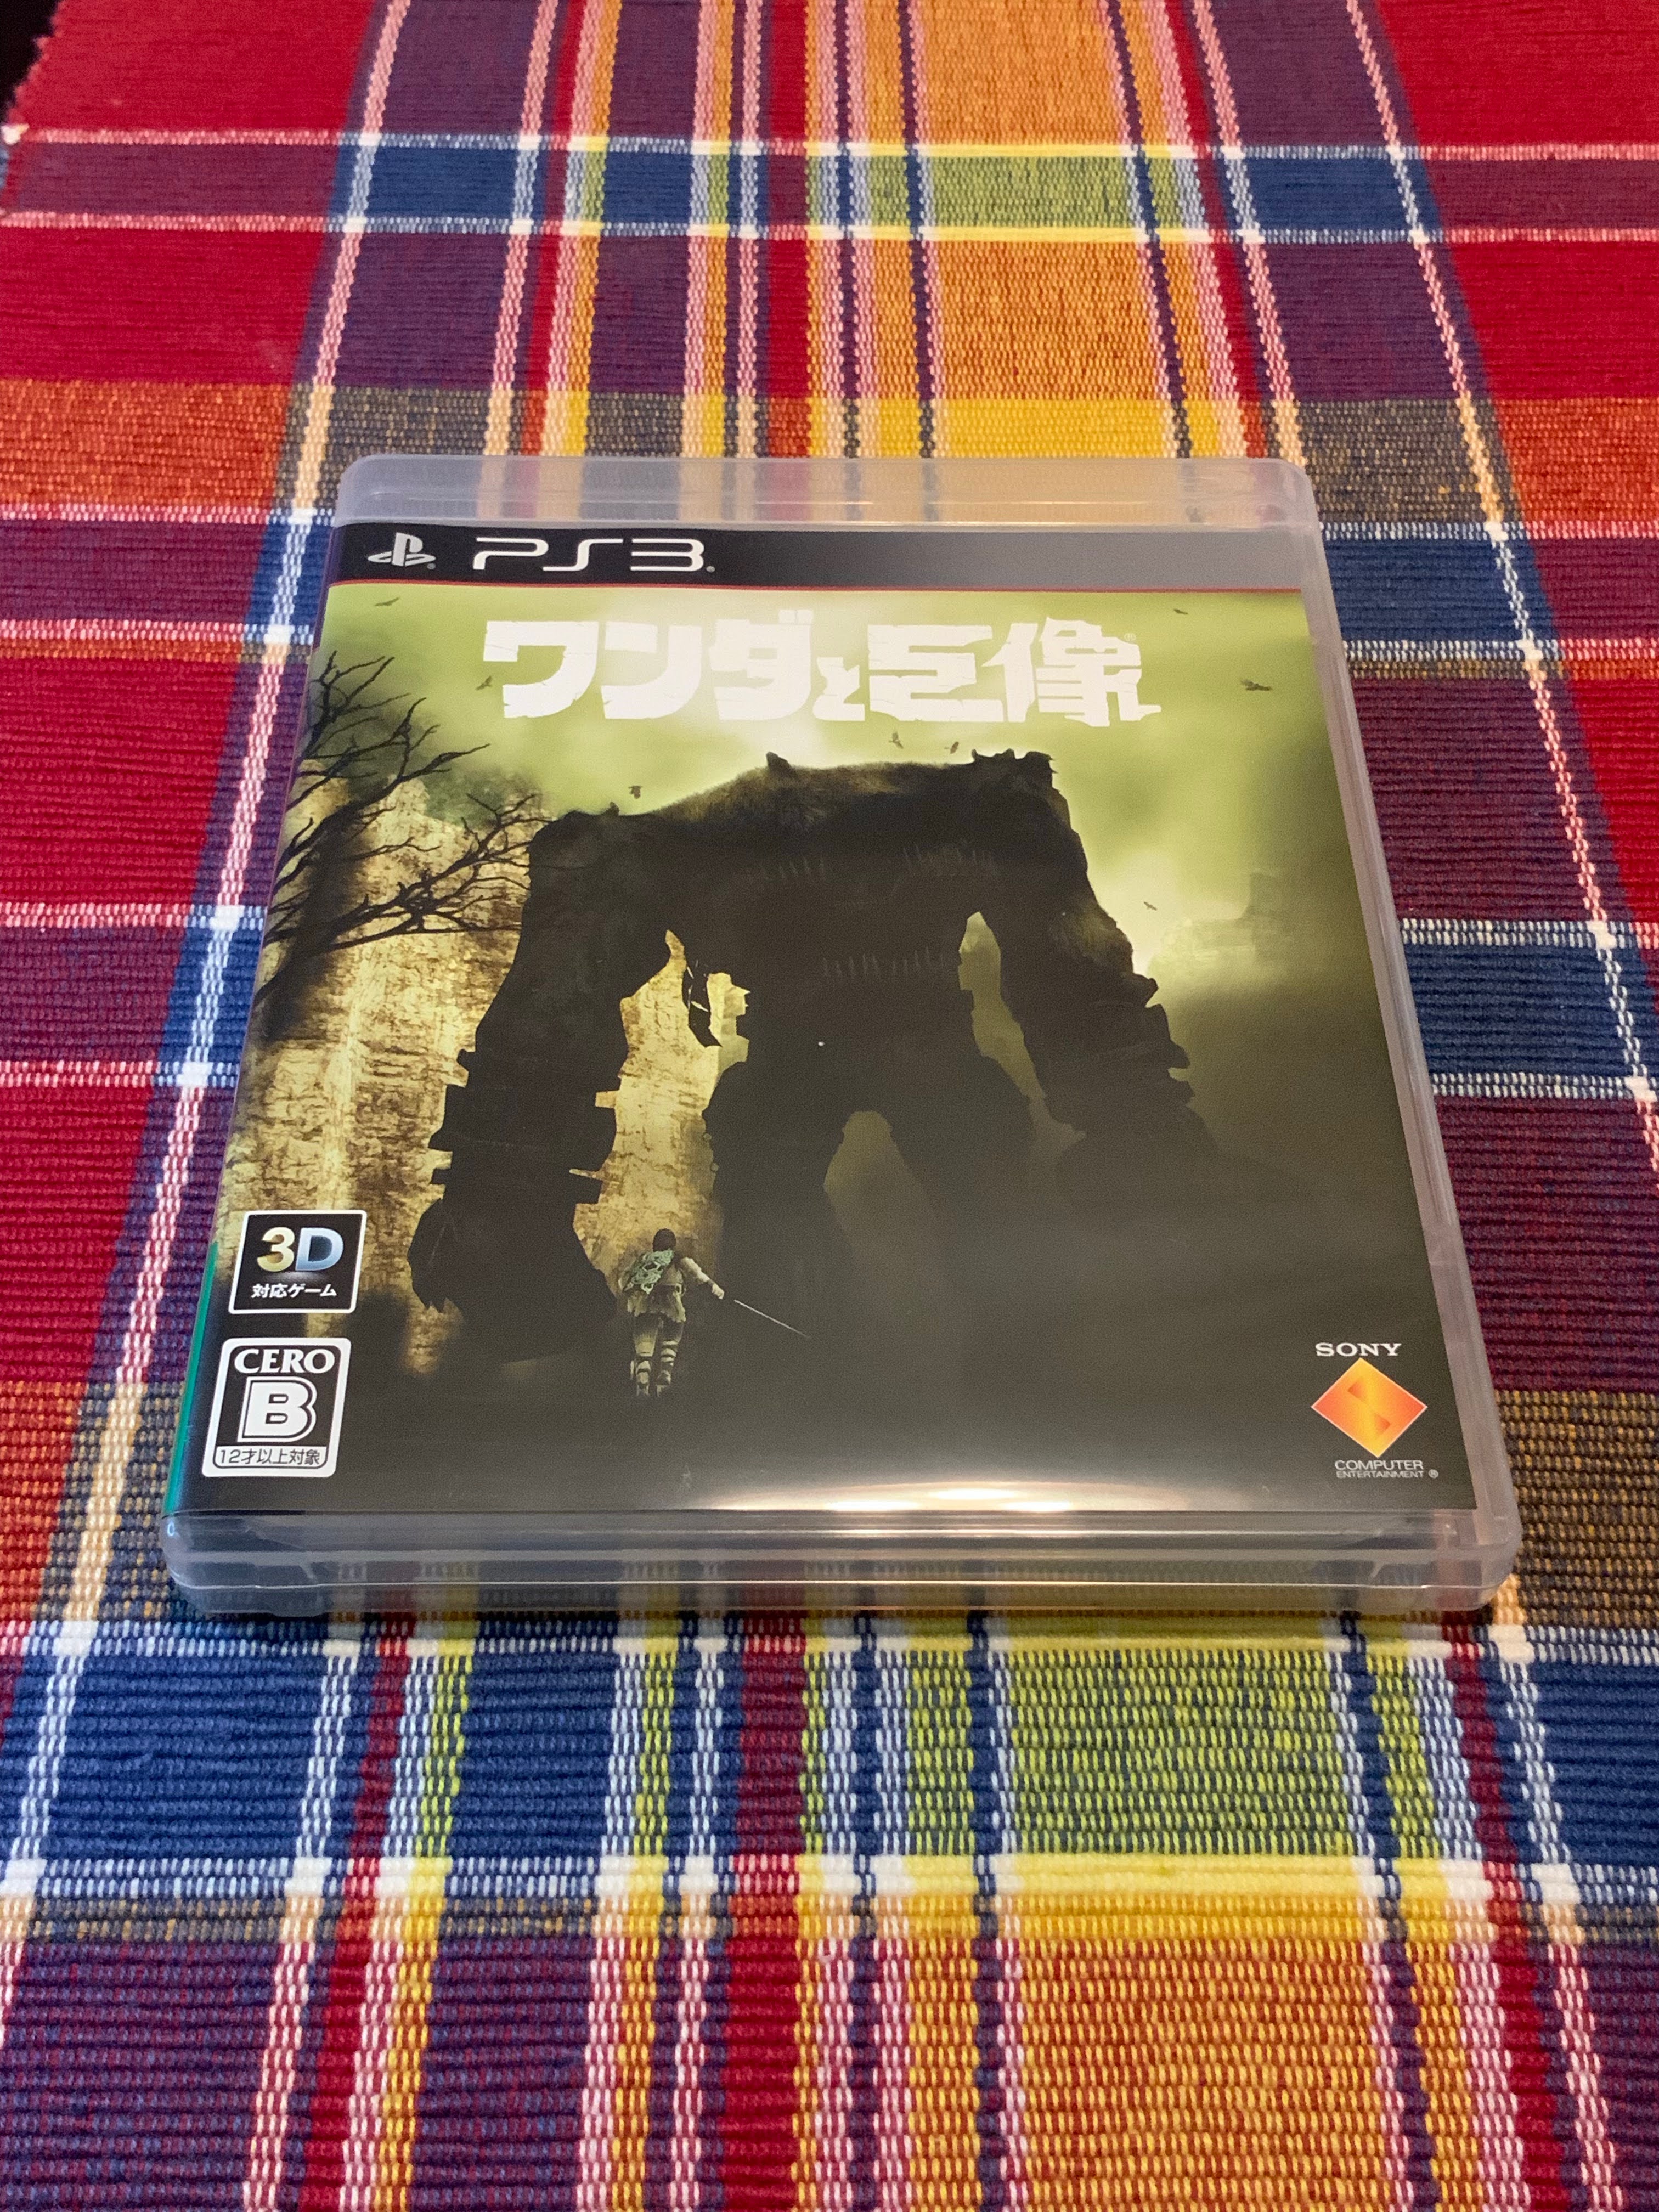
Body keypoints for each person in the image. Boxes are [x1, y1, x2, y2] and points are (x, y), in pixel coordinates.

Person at [617, 1228, 724, 1399]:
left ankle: (642, 1387)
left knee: (644, 1350)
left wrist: (634, 1296)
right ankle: (664, 1384)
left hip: (646, 1305)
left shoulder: (644, 1259)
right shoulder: (675, 1257)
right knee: (669, 1347)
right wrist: (712, 1286)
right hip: (671, 1305)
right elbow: (695, 1272)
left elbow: (624, 1280)